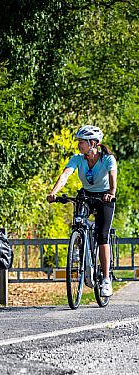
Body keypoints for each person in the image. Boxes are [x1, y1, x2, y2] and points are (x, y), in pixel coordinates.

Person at [47, 124, 117, 297]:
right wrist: (53, 192)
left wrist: (111, 193)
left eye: (82, 142)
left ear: (93, 143)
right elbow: (65, 175)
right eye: (79, 142)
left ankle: (106, 279)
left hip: (104, 197)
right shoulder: (78, 158)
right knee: (78, 222)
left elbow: (112, 177)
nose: (79, 145)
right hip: (86, 194)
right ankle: (79, 249)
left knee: (102, 235)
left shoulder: (107, 158)